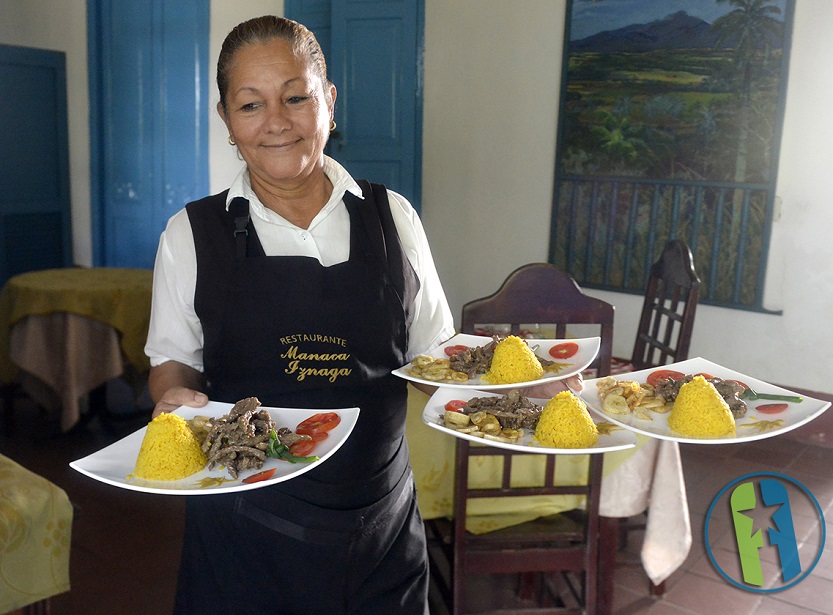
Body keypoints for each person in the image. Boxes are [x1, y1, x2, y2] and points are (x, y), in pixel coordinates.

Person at [144, 15, 455, 614]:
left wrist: (523, 385)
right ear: (226, 120)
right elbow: (173, 361)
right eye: (250, 105)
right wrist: (176, 396)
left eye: (296, 96)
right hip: (242, 531)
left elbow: (436, 358)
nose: (277, 122)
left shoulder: (394, 218)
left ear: (329, 102)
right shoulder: (191, 234)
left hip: (382, 526)